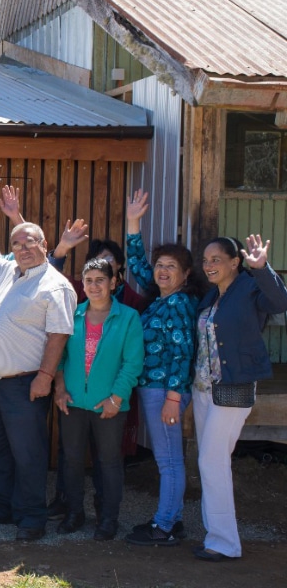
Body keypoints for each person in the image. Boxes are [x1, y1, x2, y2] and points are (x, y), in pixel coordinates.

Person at [0, 201, 76, 542]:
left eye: (30, 242)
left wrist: (44, 376)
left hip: (25, 384)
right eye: (17, 244)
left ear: (44, 245)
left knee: (28, 454)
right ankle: (2, 508)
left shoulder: (55, 285)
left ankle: (31, 518)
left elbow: (59, 334)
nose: (23, 249)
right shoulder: (10, 272)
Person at [190, 234, 287, 561]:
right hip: (204, 390)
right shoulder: (211, 297)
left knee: (211, 461)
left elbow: (279, 302)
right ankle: (214, 536)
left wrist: (262, 269)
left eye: (216, 259)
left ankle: (224, 543)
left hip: (233, 387)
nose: (209, 265)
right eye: (206, 260)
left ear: (236, 262)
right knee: (210, 461)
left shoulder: (250, 288)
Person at [121, 189, 202, 547]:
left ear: (186, 274)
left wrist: (173, 397)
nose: (162, 271)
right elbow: (138, 266)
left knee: (168, 462)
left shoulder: (180, 304)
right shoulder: (162, 298)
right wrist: (133, 224)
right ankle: (174, 520)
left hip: (164, 392)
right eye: (160, 265)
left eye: (171, 266)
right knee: (168, 460)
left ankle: (165, 526)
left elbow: (182, 354)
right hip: (152, 390)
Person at [53, 258, 143, 541]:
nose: (94, 286)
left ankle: (108, 519)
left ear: (113, 283)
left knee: (109, 462)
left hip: (109, 405)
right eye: (89, 280)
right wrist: (60, 389)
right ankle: (74, 514)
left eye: (100, 280)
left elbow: (132, 363)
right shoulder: (73, 315)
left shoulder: (128, 317)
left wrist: (116, 398)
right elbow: (59, 357)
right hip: (73, 402)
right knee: (72, 460)